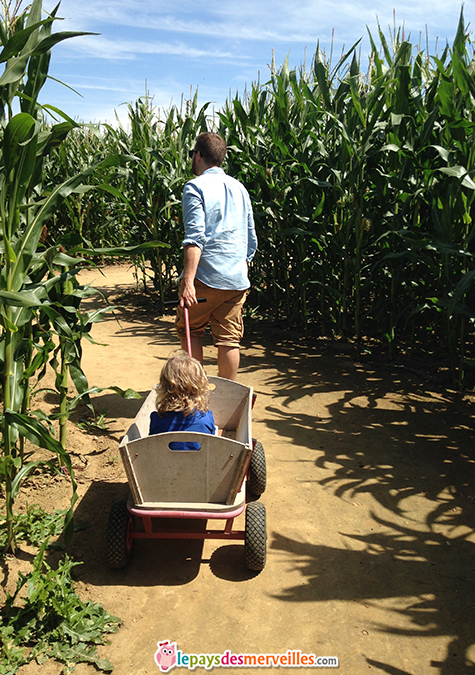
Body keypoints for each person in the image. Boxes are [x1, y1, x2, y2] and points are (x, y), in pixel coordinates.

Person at [176, 132, 258, 381]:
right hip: (236, 279)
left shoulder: (195, 186)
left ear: (198, 155)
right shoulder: (240, 188)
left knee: (190, 330)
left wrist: (188, 280)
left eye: (193, 154)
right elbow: (250, 238)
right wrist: (241, 267)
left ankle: (194, 393)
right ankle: (228, 398)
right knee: (229, 339)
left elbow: (195, 237)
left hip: (206, 278)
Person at [149, 351, 215, 450]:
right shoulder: (206, 417)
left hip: (164, 464)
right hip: (201, 464)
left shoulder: (157, 419)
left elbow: (151, 445)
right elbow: (213, 444)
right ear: (200, 385)